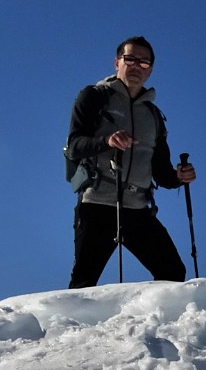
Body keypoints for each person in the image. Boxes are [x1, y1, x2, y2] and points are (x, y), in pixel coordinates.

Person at [65, 37, 197, 287]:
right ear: (117, 63)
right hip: (97, 204)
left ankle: (158, 325)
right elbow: (74, 147)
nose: (137, 66)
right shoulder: (93, 96)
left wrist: (179, 177)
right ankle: (75, 328)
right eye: (130, 59)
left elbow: (160, 172)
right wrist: (107, 142)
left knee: (172, 271)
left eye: (144, 62)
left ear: (151, 69)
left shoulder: (154, 115)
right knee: (84, 282)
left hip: (138, 209)